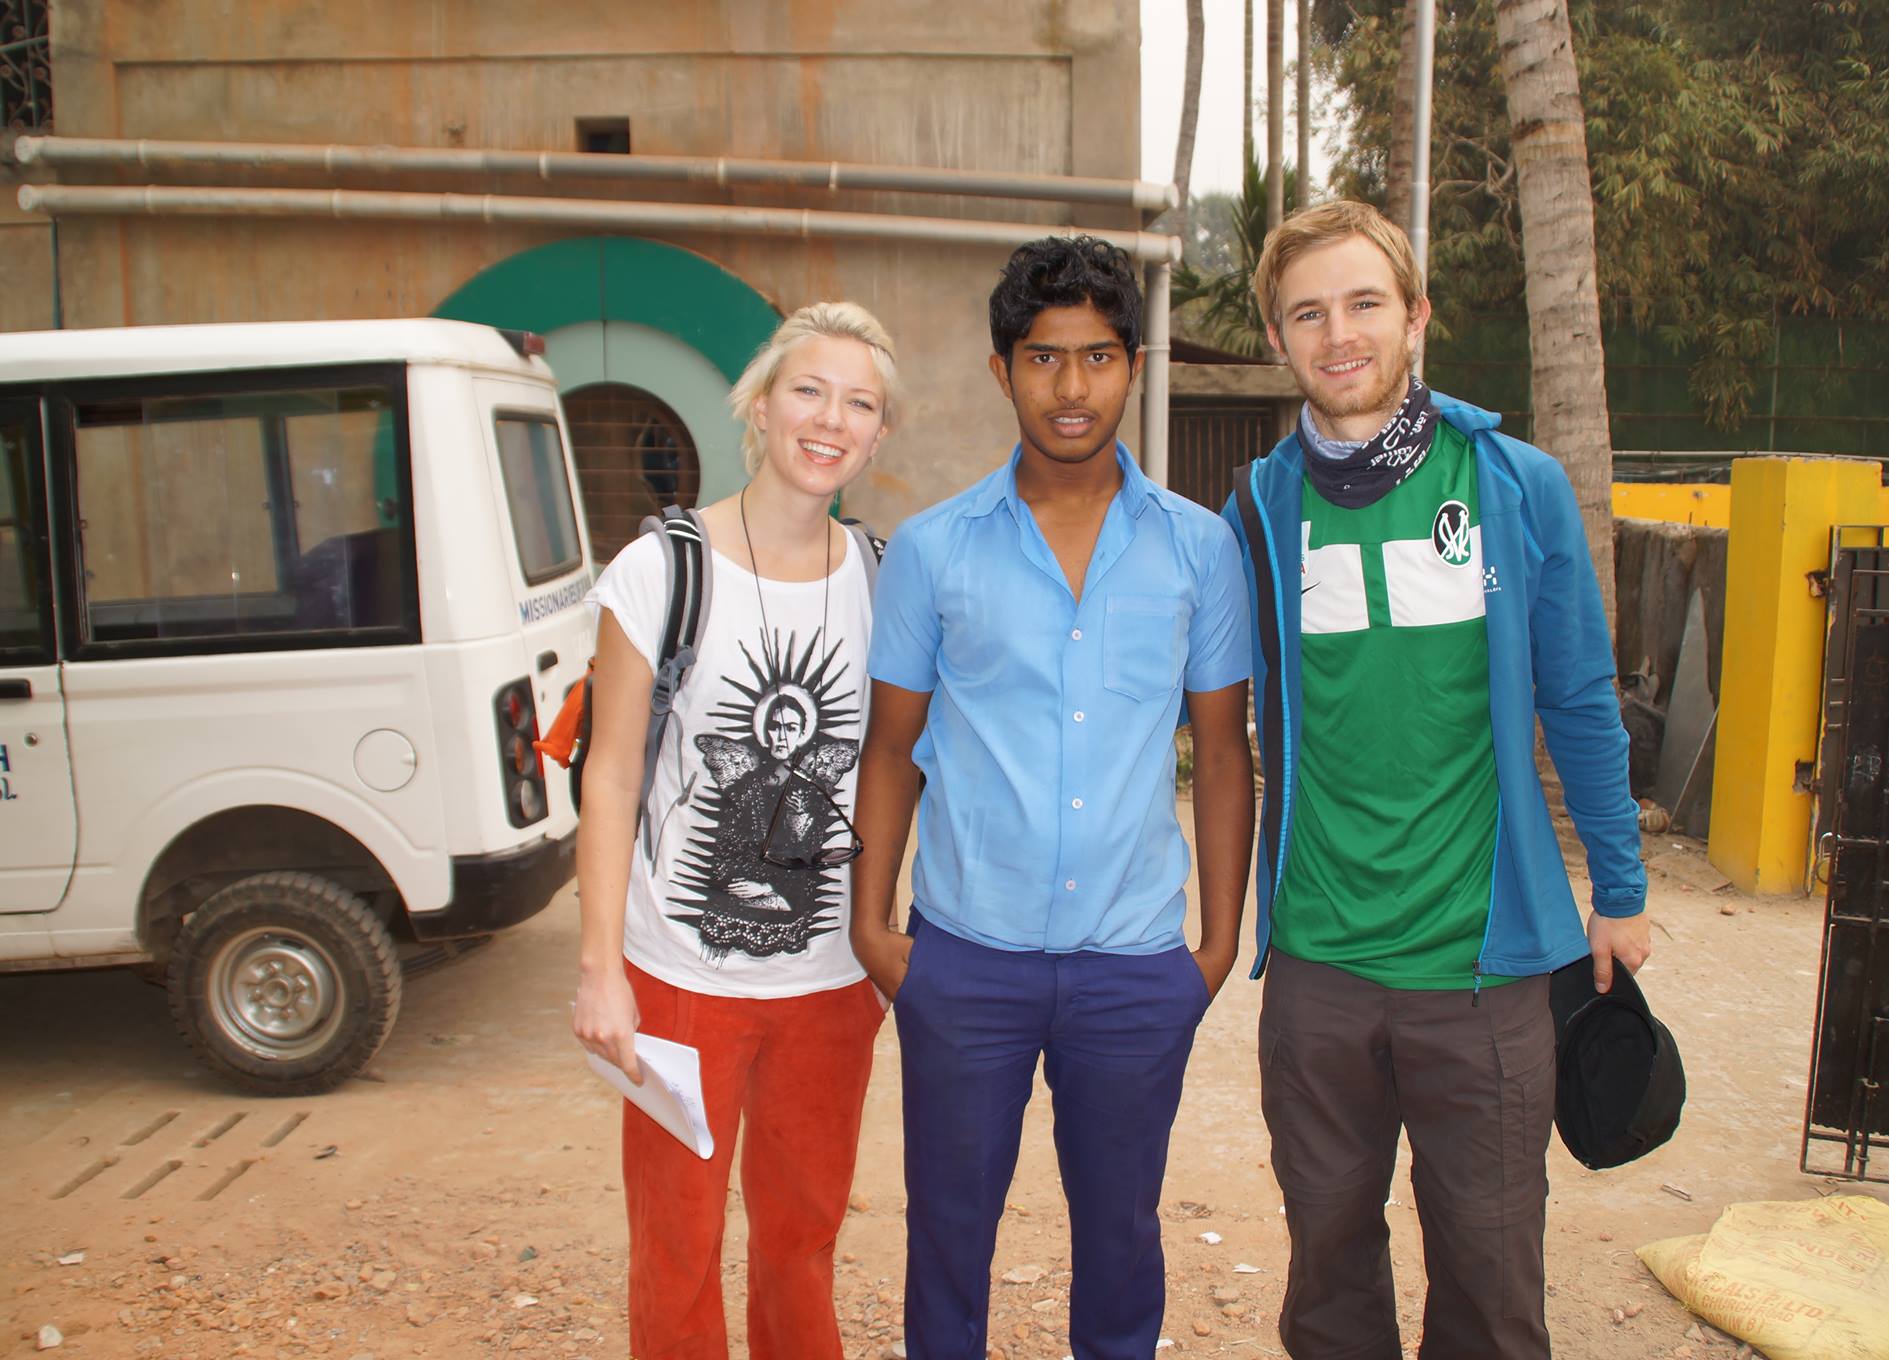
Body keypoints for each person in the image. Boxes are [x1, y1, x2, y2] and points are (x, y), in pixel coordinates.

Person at [1220, 200, 1651, 1359]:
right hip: (1315, 969)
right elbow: (1208, 714)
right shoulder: (1258, 510)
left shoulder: (1513, 485)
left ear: (1415, 317)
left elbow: (1576, 698)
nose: (1338, 333)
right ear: (1277, 337)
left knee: (1492, 1282)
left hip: (1485, 970)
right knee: (1326, 1277)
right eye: (1307, 312)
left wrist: (1617, 888)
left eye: (1364, 303)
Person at [851, 235, 1255, 1360]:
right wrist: (873, 930)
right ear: (1001, 370)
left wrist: (1214, 948)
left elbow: (1222, 753)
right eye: (1041, 358)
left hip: (1132, 965)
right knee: (946, 1238)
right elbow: (891, 748)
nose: (1069, 389)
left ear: (1132, 364)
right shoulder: (933, 552)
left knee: (1121, 1242)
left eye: (1094, 357)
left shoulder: (1197, 550)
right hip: (964, 959)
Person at [571, 301, 901, 1360]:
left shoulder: (885, 582)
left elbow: (907, 772)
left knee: (800, 1241)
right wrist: (598, 969)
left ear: (877, 435)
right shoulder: (661, 571)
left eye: (858, 403)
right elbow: (611, 773)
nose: (829, 419)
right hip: (676, 983)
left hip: (827, 989)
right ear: (758, 406)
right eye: (808, 389)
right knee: (673, 1246)